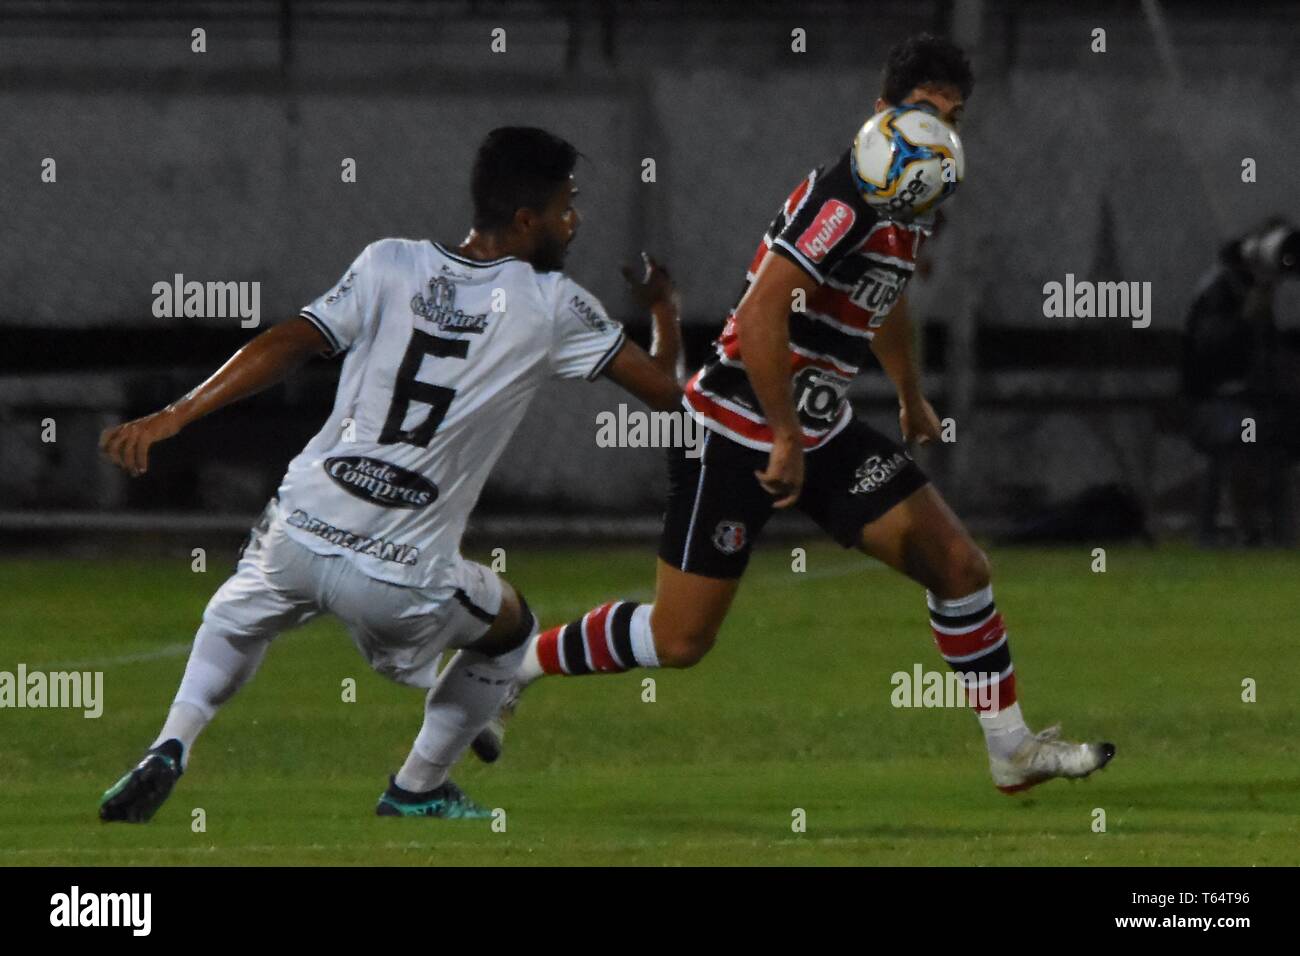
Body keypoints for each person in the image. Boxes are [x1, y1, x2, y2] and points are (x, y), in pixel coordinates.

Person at [475, 35, 1115, 795]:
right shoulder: (843, 197)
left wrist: (909, 393)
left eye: (954, 115)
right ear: (884, 112)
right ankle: (522, 661)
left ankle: (1010, 750)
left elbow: (885, 298)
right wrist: (783, 435)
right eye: (925, 111)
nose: (940, 130)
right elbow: (762, 312)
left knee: (959, 565)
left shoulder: (905, 196)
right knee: (680, 640)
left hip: (817, 427)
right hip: (735, 424)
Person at [97, 126, 684, 822]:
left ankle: (172, 742)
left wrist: (178, 413)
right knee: (513, 627)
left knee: (237, 617)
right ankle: (418, 785)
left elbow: (290, 340)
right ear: (528, 221)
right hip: (397, 576)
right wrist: (664, 311)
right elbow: (669, 395)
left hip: (303, 526)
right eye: (567, 205)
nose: (574, 220)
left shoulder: (388, 263)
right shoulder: (552, 304)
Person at [1182, 218, 1300, 546]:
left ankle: (1278, 534)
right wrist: (1253, 306)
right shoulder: (1219, 290)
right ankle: (1247, 531)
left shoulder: (1263, 292)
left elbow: (1272, 356)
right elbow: (1215, 353)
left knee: (1273, 429)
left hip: (1260, 404)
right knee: (1249, 432)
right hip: (1213, 407)